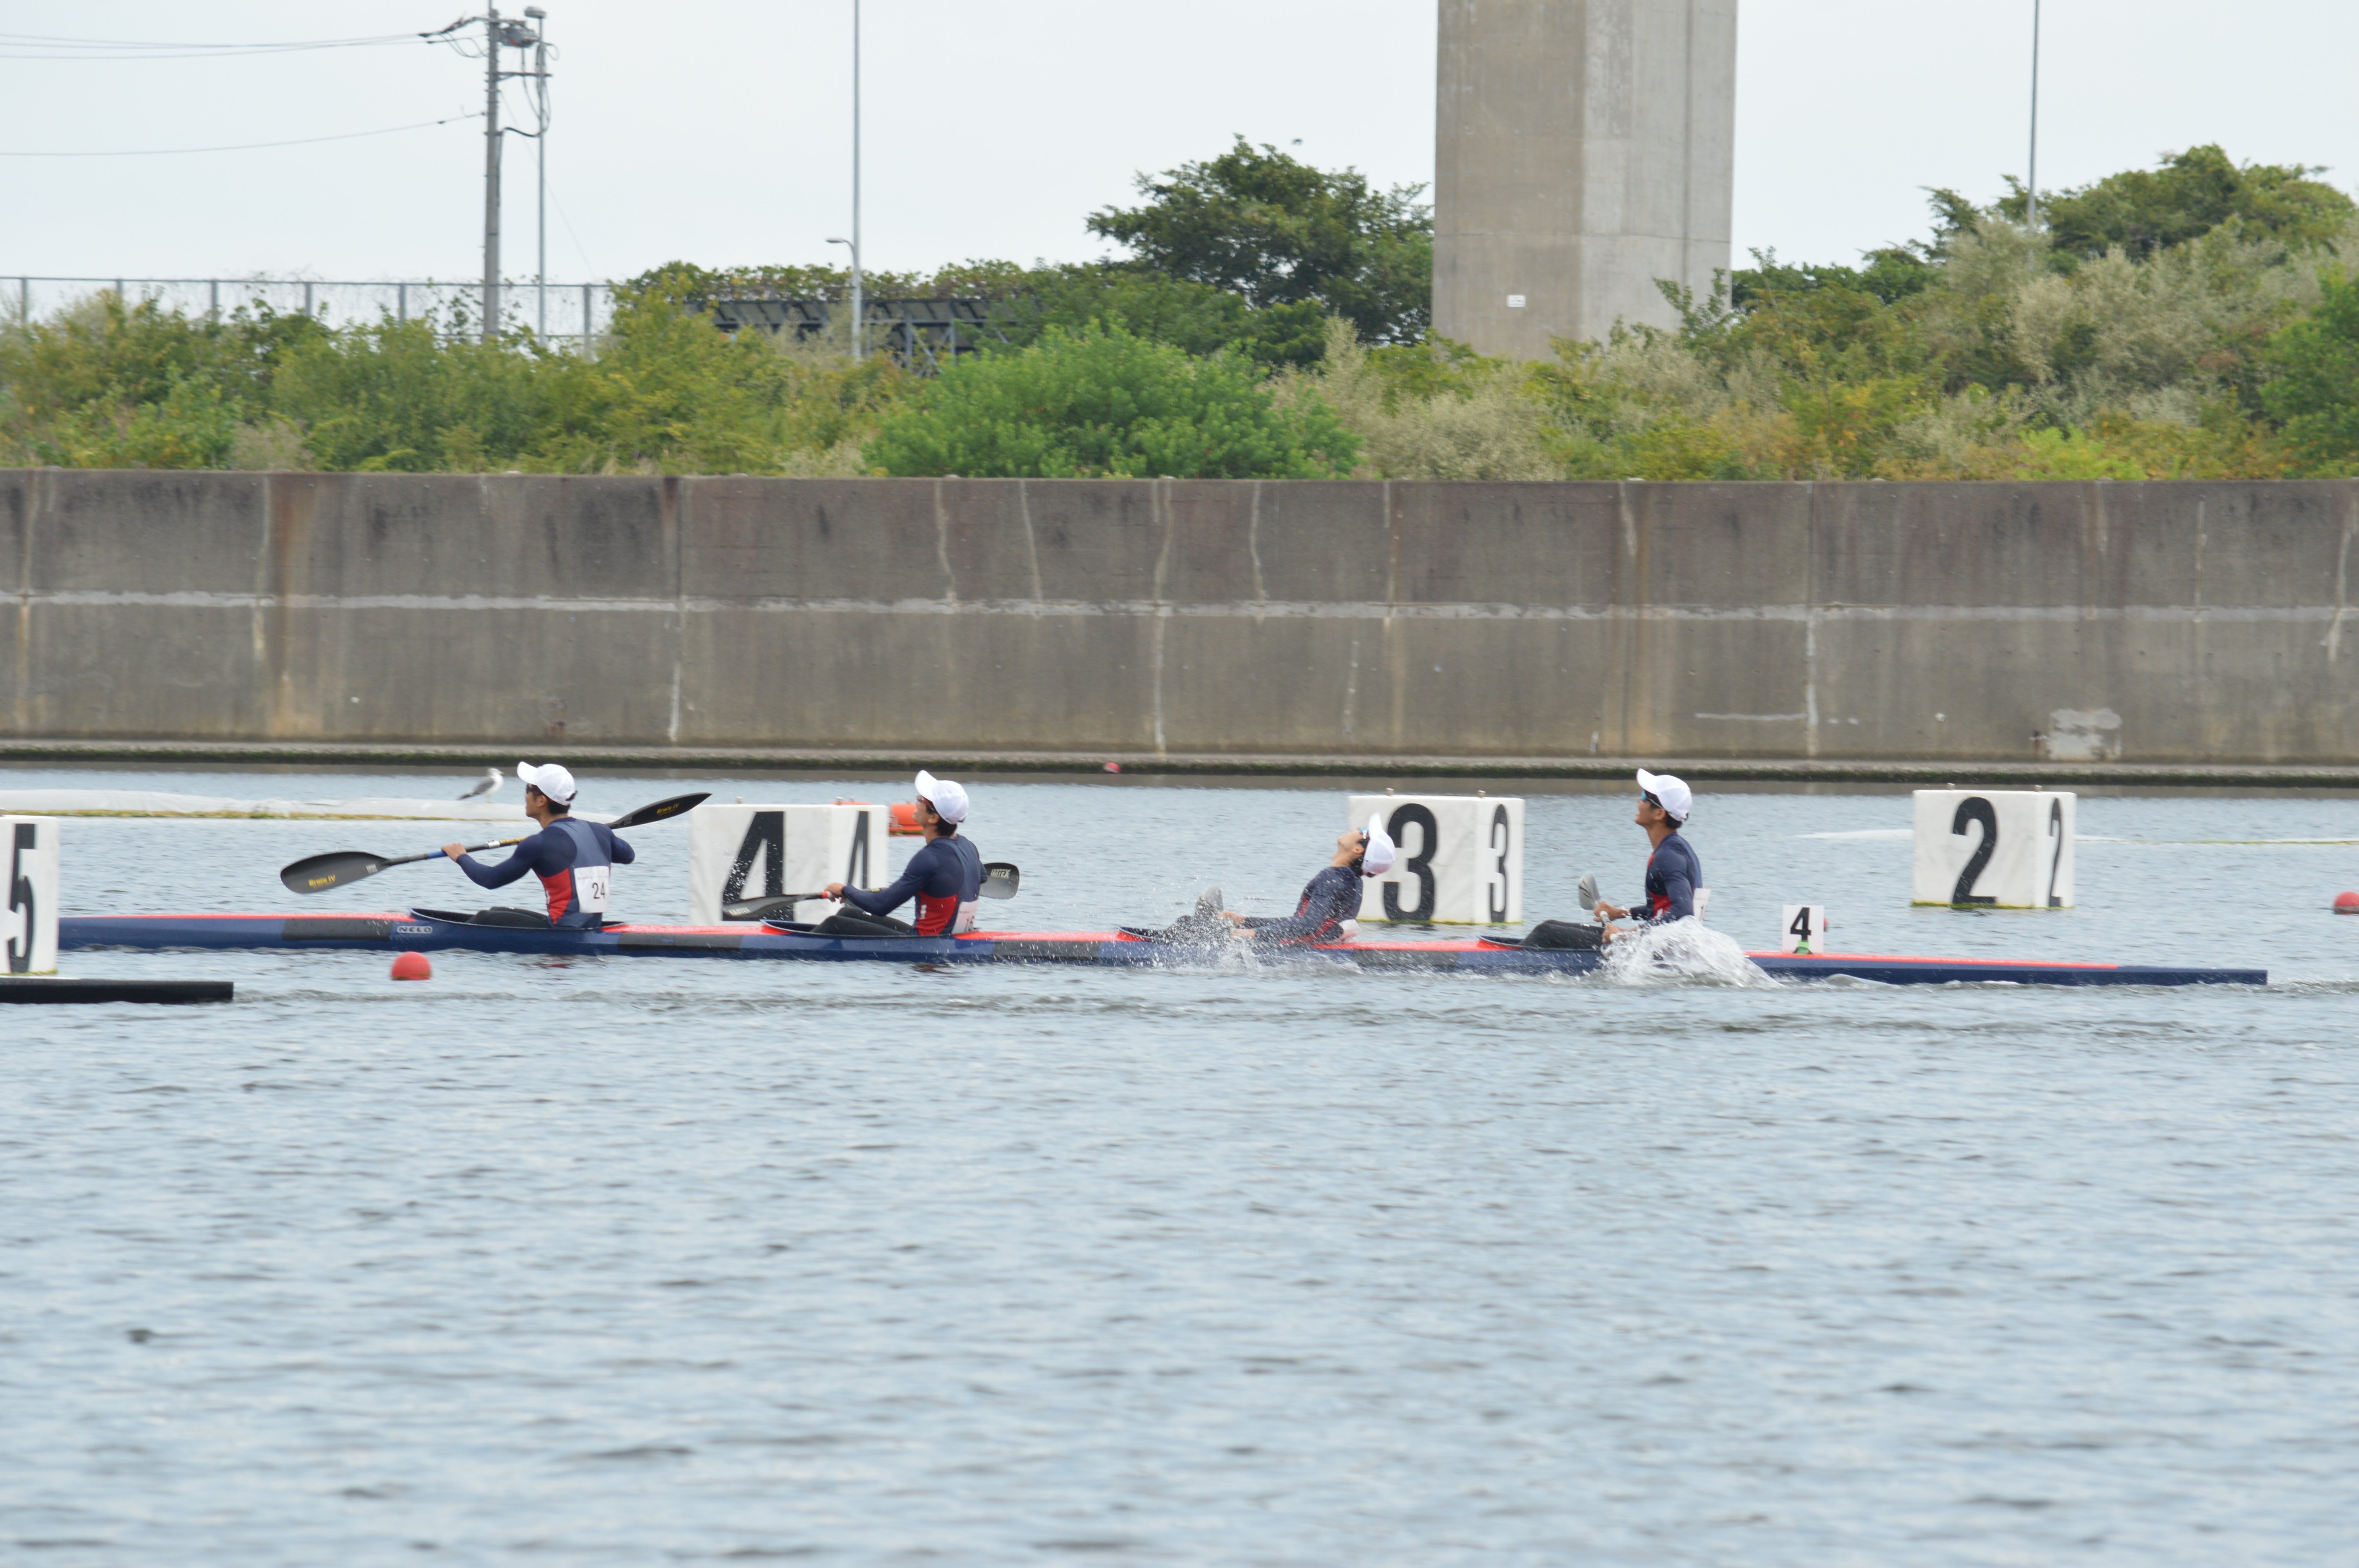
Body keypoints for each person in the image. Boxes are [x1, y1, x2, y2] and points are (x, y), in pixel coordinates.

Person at [440, 761, 633, 929]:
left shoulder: (538, 844)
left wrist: (461, 857)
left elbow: (491, 880)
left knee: (487, 918)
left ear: (541, 801)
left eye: (528, 790)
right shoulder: (600, 832)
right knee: (498, 912)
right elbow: (628, 856)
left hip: (564, 933)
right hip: (590, 927)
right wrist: (604, 834)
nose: (525, 796)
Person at [821, 770, 983, 936]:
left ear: (934, 818)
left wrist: (846, 890)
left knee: (833, 924)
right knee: (848, 914)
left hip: (926, 947)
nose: (917, 800)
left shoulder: (930, 859)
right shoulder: (968, 847)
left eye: (922, 800)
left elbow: (881, 906)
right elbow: (982, 878)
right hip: (949, 937)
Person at [1221, 814, 1398, 947]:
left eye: (1363, 831)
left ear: (1358, 849)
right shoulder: (1354, 881)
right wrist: (1244, 921)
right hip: (1315, 943)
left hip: (1299, 950)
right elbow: (1303, 922)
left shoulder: (1333, 878)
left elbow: (1307, 925)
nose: (1358, 827)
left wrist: (1248, 934)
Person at [1594, 768, 1702, 940]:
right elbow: (1661, 910)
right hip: (1669, 943)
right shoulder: (1678, 848)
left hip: (1663, 949)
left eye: (1645, 797)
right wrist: (1621, 913)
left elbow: (1684, 910)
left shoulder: (1669, 856)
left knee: (1546, 933)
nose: (1639, 800)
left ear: (1659, 813)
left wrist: (1626, 936)